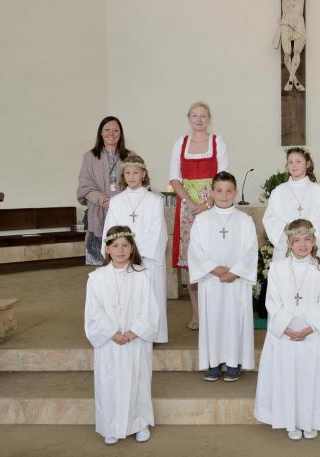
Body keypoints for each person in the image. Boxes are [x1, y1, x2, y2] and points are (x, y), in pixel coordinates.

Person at [254, 219, 320, 440]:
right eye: (297, 240)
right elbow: (272, 302)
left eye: (307, 239)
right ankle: (289, 420)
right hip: (285, 335)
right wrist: (285, 326)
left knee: (310, 378)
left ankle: (312, 419)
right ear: (289, 243)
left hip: (312, 334)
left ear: (314, 242)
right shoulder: (277, 268)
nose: (302, 245)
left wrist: (310, 327)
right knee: (289, 377)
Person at [84, 225, 159, 445]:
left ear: (132, 248)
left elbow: (150, 308)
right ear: (107, 249)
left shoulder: (143, 275)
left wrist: (134, 331)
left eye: (126, 245)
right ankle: (111, 425)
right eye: (115, 246)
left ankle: (140, 423)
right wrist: (112, 333)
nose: (120, 250)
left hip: (134, 341)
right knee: (110, 382)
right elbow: (93, 311)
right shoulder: (96, 278)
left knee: (138, 380)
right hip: (110, 343)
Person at [187, 172, 256, 382]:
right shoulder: (202, 220)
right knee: (213, 319)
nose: (224, 195)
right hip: (211, 281)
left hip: (236, 280)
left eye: (228, 191)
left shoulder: (244, 220)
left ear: (235, 192)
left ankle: (234, 363)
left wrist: (234, 272)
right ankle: (214, 363)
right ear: (212, 192)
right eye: (219, 190)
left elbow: (250, 249)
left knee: (235, 319)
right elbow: (196, 250)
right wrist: (216, 270)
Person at [169, 101, 230, 330]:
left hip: (214, 204)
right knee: (192, 262)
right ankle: (197, 313)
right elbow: (174, 178)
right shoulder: (180, 143)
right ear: (189, 118)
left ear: (209, 118)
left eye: (203, 115)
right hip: (187, 206)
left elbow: (223, 177)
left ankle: (216, 311)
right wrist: (190, 201)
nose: (199, 119)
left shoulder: (217, 142)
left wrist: (207, 203)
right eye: (194, 115)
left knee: (213, 256)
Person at [102, 154, 168, 343]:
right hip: (122, 258)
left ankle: (153, 335)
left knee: (150, 298)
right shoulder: (117, 201)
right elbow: (110, 230)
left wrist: (138, 255)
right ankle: (126, 332)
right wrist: (119, 254)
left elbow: (158, 232)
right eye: (128, 173)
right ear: (124, 175)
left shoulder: (155, 201)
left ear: (143, 174)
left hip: (146, 259)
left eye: (136, 173)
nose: (131, 177)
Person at [77, 116, 132, 265]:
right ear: (100, 133)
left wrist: (119, 202)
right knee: (101, 265)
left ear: (120, 134)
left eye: (115, 130)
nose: (111, 133)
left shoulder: (130, 156)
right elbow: (84, 186)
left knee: (125, 261)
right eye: (107, 130)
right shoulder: (90, 157)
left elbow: (136, 182)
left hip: (124, 213)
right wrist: (104, 200)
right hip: (98, 212)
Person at [263, 147, 320, 261]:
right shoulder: (278, 191)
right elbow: (269, 219)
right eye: (290, 162)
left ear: (307, 164)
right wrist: (286, 227)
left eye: (298, 161)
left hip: (312, 250)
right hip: (286, 249)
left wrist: (305, 234)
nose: (294, 165)